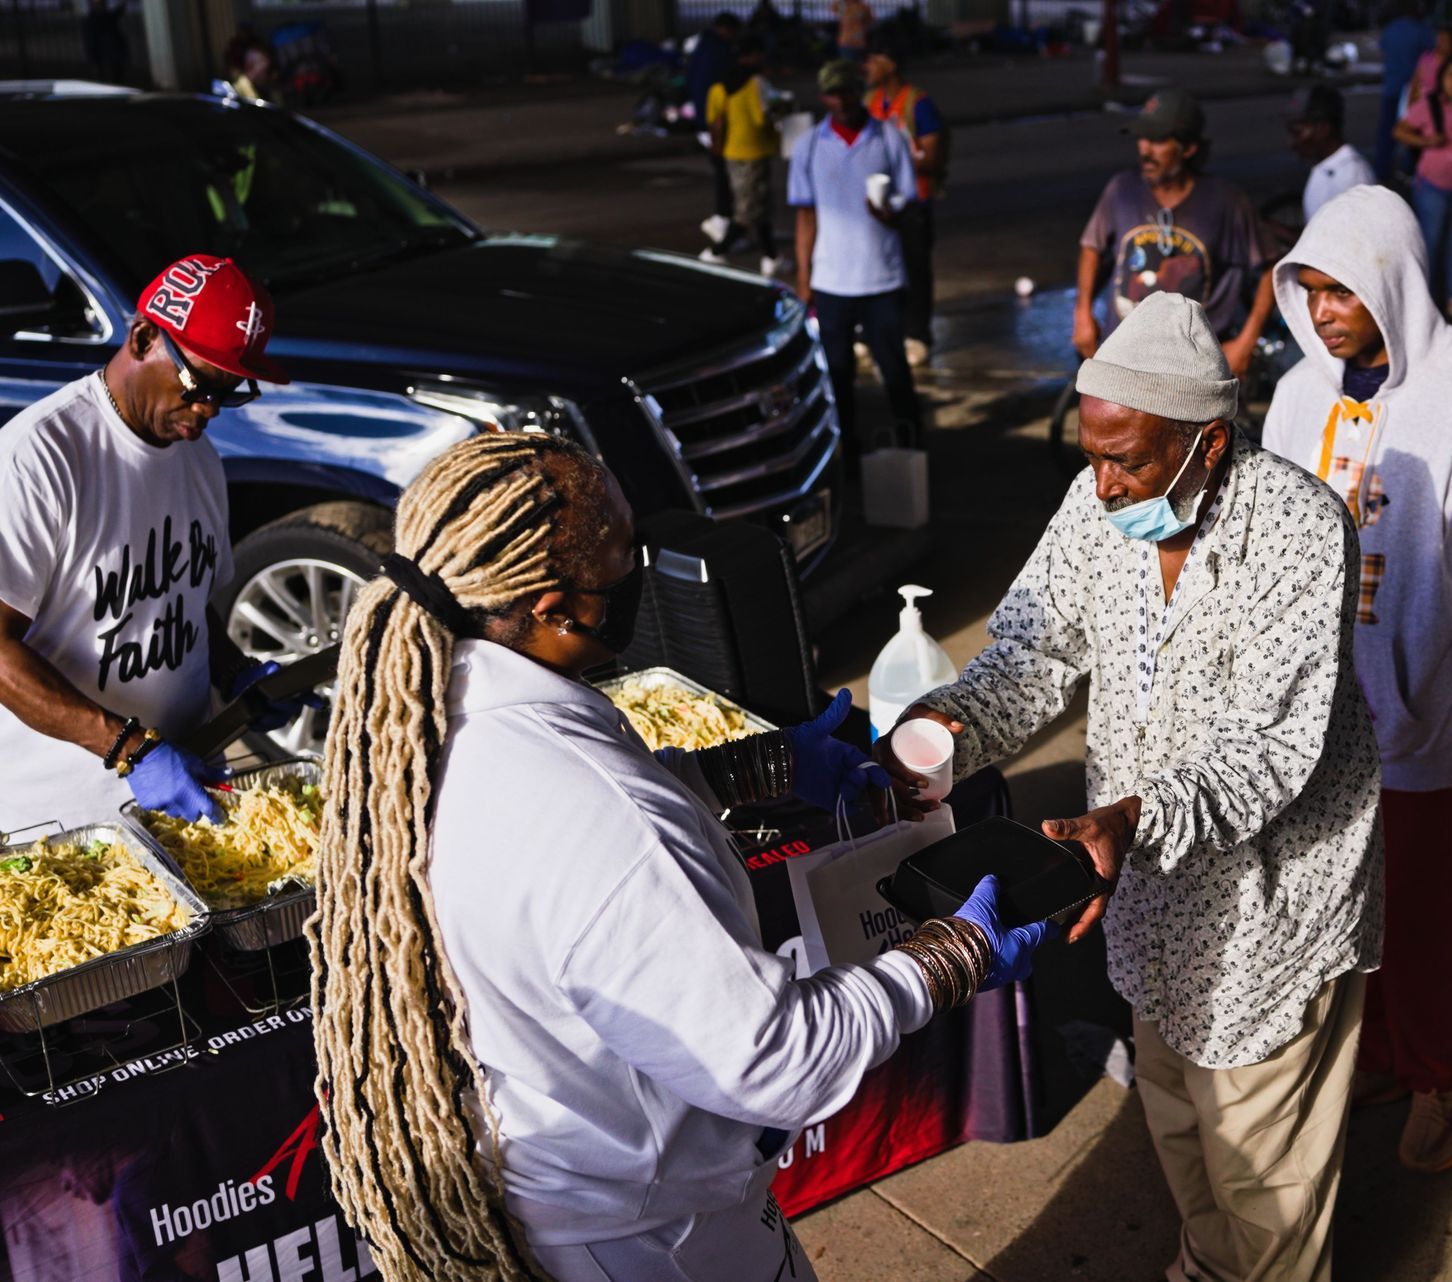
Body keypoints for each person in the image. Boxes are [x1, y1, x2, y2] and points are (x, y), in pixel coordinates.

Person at [307, 432, 1054, 1282]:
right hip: (656, 1234)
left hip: (571, 1188)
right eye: (628, 558)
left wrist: (750, 769)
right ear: (556, 606)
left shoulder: (426, 713)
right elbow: (773, 1061)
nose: (642, 570)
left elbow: (573, 843)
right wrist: (947, 959)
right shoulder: (604, 820)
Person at [882, 291, 1382, 1282]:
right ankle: (1209, 1267)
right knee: (1177, 1113)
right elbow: (1032, 648)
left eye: (1130, 459)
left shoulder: (1299, 530)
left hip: (1269, 903)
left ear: (1210, 438)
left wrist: (1133, 816)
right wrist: (952, 724)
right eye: (1092, 453)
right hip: (1149, 889)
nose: (1104, 484)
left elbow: (1266, 751)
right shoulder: (1091, 507)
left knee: (1265, 1166)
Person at [1262, 185, 1452, 1173]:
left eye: (1341, 290)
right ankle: (1388, 1053)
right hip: (1319, 722)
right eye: (1307, 288)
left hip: (1432, 724)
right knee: (1349, 913)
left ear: (1392, 282)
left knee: (1431, 920)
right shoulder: (1302, 391)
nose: (1322, 310)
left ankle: (1443, 1073)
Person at [0, 255, 314, 838]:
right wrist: (130, 748)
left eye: (230, 394)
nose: (209, 411)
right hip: (62, 825)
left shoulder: (199, 459)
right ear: (144, 338)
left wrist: (237, 674)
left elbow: (185, 596)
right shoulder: (39, 458)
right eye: (199, 385)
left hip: (185, 792)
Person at [1075, 90, 1279, 378]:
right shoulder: (1121, 190)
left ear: (1189, 147)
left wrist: (1245, 342)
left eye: (1158, 141)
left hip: (1193, 369)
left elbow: (1272, 267)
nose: (1145, 150)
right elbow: (1091, 246)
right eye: (1141, 138)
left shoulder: (1225, 200)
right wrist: (1082, 312)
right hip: (1121, 359)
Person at [788, 59, 922, 449]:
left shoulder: (888, 137)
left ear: (858, 91)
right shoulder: (810, 145)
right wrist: (803, 278)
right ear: (822, 96)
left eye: (847, 91)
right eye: (833, 93)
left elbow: (911, 203)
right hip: (831, 282)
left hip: (883, 278)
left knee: (895, 372)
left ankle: (913, 447)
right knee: (838, 376)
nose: (841, 100)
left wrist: (890, 210)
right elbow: (805, 216)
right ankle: (845, 456)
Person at [865, 36, 949, 366]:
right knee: (881, 269)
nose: (866, 67)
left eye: (873, 60)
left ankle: (918, 335)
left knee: (916, 271)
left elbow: (933, 159)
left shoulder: (918, 104)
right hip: (880, 202)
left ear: (891, 65)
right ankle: (878, 331)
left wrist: (894, 159)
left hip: (915, 203)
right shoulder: (870, 102)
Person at [1394, 54, 1452, 322]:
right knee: (1430, 243)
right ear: (1441, 80)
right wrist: (1426, 142)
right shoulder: (1430, 105)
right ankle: (1423, 299)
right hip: (1433, 185)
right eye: (1451, 76)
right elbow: (1399, 131)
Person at [703, 35, 783, 277]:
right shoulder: (755, 83)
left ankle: (771, 256)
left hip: (730, 152)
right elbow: (762, 118)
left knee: (759, 206)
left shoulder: (719, 86)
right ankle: (715, 252)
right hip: (754, 151)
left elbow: (712, 119)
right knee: (748, 211)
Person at [686, 12, 742, 250]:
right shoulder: (717, 53)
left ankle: (724, 222)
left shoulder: (704, 47)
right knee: (725, 175)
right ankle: (722, 226)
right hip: (712, 121)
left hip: (705, 120)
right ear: (725, 29)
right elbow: (713, 91)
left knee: (723, 173)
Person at [1291, 85, 1376, 225]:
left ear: (1323, 129)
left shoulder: (1351, 177)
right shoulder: (1325, 168)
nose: (1292, 143)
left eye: (1298, 132)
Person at [1374, 0, 1434, 179]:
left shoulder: (1391, 29)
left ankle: (1381, 170)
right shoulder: (1421, 30)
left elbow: (1384, 49)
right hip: (1412, 92)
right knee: (1413, 130)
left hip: (1391, 87)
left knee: (1387, 132)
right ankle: (1410, 168)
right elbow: (1431, 56)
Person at [1406, 22, 1452, 103]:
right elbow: (1415, 83)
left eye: (1444, 40)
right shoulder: (1426, 58)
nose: (1440, 43)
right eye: (1439, 39)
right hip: (1424, 105)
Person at [82, 0, 129, 84]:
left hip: (111, 53)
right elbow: (89, 41)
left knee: (115, 75)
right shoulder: (92, 20)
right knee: (104, 77)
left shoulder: (105, 17)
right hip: (101, 54)